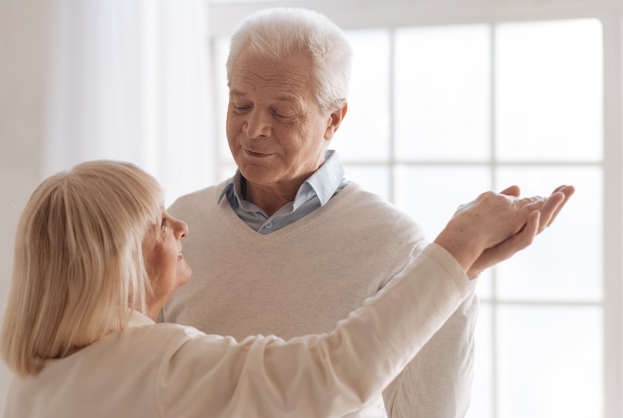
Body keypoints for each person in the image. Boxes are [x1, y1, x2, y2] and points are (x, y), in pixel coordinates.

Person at [161, 7, 576, 418]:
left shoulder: (393, 242)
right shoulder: (178, 225)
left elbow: (427, 410)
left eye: (281, 113)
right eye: (241, 105)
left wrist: (462, 270)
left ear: (333, 119)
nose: (253, 129)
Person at [0, 160, 568, 418]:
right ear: (119, 257)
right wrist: (458, 245)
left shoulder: (35, 381)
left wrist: (458, 270)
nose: (180, 226)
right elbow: (332, 374)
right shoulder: (157, 365)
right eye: (157, 221)